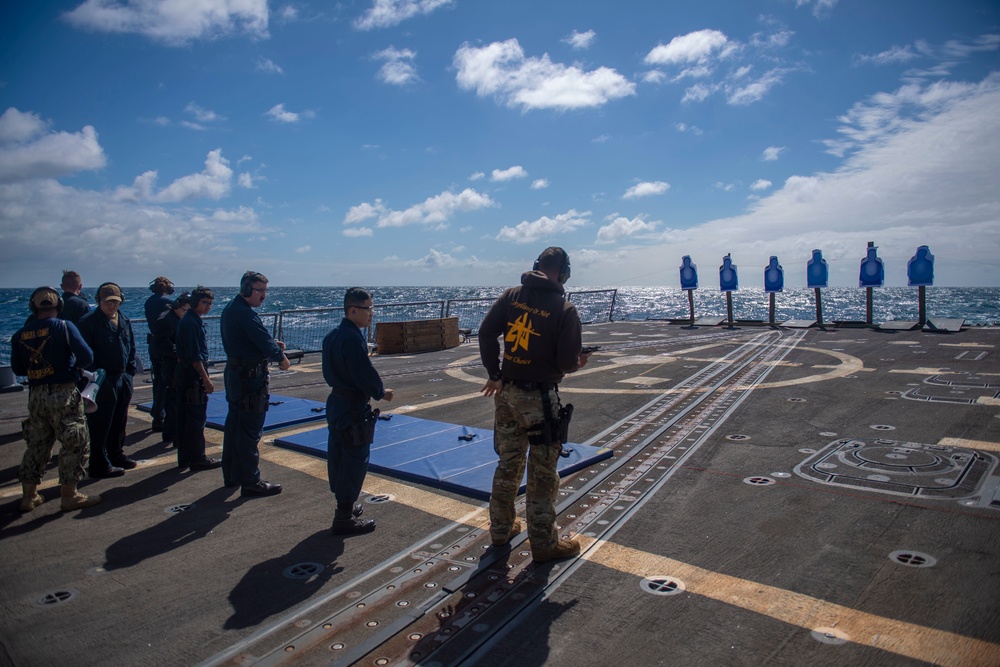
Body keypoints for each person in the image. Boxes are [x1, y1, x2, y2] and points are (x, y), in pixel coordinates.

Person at [479, 247, 591, 563]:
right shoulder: (565, 309)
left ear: (536, 267)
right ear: (564, 272)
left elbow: (487, 333)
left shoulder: (512, 295)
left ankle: (501, 530)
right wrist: (579, 361)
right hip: (541, 400)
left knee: (508, 463)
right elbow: (568, 363)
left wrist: (494, 374)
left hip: (507, 397)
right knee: (542, 473)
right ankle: (544, 544)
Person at [11, 287, 102, 512]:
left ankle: (29, 496)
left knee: (37, 443)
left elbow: (18, 368)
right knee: (75, 440)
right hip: (63, 392)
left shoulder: (20, 334)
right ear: (58, 306)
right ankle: (69, 495)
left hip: (36, 395)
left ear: (33, 306)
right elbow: (87, 357)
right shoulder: (64, 326)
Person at [322, 287, 394, 535]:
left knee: (339, 457)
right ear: (353, 310)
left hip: (336, 403)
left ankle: (345, 506)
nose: (371, 314)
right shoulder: (352, 338)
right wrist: (380, 392)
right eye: (368, 309)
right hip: (352, 406)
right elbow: (363, 372)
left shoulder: (332, 335)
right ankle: (343, 518)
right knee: (354, 459)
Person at [220, 271, 290, 496]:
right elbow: (262, 340)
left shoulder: (233, 309)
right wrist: (282, 359)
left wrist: (270, 344)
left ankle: (232, 476)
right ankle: (251, 481)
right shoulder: (245, 314)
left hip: (236, 375)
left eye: (265, 291)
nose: (263, 296)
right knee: (250, 431)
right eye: (259, 291)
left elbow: (251, 340)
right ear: (247, 289)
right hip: (249, 379)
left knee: (234, 428)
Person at [77, 282, 137, 478]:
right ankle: (99, 463)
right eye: (108, 302)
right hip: (101, 380)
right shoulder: (88, 323)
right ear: (99, 301)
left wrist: (129, 371)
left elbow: (131, 349)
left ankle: (116, 454)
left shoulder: (124, 320)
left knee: (120, 420)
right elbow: (83, 356)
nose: (112, 306)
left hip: (122, 377)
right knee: (101, 424)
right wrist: (94, 377)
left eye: (116, 301)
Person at [174, 287, 222, 471]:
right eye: (205, 303)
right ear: (195, 302)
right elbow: (195, 357)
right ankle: (197, 458)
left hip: (185, 374)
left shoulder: (191, 320)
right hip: (190, 375)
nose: (208, 307)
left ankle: (186, 457)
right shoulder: (191, 323)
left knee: (187, 418)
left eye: (210, 303)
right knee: (195, 418)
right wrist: (205, 379)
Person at [151, 292, 189, 447]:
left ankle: (170, 432)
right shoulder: (166, 320)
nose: (186, 313)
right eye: (185, 310)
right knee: (172, 401)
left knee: (174, 400)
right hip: (169, 364)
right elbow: (162, 344)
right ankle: (171, 433)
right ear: (177, 306)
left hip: (174, 362)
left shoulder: (175, 318)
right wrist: (180, 353)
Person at [144, 276, 175, 433]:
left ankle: (157, 413)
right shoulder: (167, 302)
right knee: (166, 382)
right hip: (164, 346)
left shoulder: (149, 301)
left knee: (158, 381)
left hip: (153, 345)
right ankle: (160, 415)